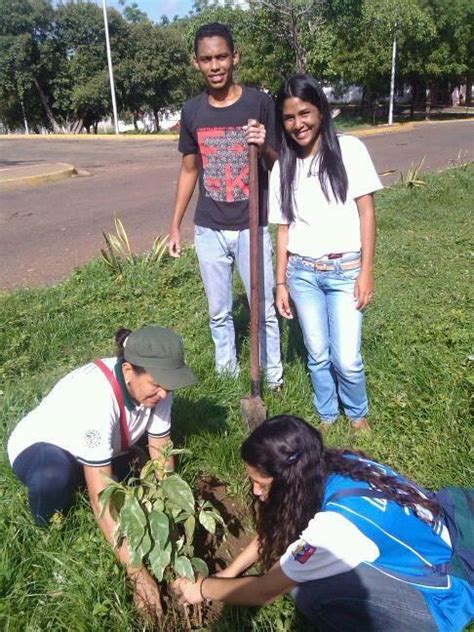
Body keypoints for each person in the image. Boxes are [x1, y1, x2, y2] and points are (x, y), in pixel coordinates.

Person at [173, 414, 474, 631]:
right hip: (445, 540)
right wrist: (230, 571)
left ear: (289, 481)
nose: (254, 490)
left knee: (309, 589)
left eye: (260, 483)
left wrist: (201, 589)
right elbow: (282, 521)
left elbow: (266, 590)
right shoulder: (339, 466)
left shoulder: (336, 528)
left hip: (444, 595)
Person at [7, 325, 197, 619]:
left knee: (140, 468)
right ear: (129, 370)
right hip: (44, 448)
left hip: (104, 447)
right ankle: (48, 529)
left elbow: (161, 454)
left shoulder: (160, 387)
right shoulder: (95, 397)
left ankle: (85, 475)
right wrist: (137, 574)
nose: (163, 394)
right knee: (52, 478)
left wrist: (172, 528)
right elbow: (102, 497)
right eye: (157, 385)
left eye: (168, 387)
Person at [168, 22, 283, 388]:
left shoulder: (259, 103)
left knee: (261, 307)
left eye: (221, 57)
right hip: (209, 228)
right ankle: (227, 375)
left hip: (252, 224)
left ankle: (273, 374)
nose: (215, 65)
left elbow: (277, 164)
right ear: (196, 63)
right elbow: (188, 170)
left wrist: (263, 144)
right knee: (219, 311)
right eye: (207, 59)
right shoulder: (192, 112)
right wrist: (175, 224)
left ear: (235, 57)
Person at [269, 73, 382, 430]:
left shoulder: (350, 149)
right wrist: (280, 283)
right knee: (317, 355)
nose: (297, 124)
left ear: (320, 110)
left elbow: (367, 212)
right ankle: (328, 415)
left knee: (346, 358)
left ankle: (357, 413)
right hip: (302, 274)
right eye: (289, 118)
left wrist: (366, 271)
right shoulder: (283, 166)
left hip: (346, 269)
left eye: (304, 113)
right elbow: (283, 228)